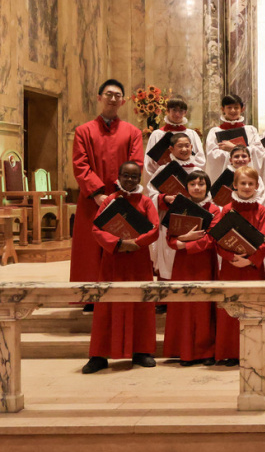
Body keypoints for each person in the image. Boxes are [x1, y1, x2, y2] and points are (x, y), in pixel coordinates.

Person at [83, 161, 159, 374]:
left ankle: (142, 351)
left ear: (139, 179)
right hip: (113, 260)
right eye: (126, 175)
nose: (130, 180)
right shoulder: (109, 201)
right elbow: (97, 229)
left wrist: (136, 243)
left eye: (134, 177)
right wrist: (118, 244)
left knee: (141, 304)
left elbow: (154, 230)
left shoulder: (145, 202)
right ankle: (98, 355)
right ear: (119, 176)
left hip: (138, 261)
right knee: (107, 304)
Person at [71, 79, 144, 292]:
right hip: (92, 200)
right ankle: (90, 294)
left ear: (123, 102)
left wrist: (121, 193)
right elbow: (80, 164)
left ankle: (120, 291)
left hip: (124, 198)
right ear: (99, 97)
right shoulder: (84, 131)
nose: (113, 98)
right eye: (109, 94)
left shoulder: (132, 132)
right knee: (90, 248)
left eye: (118, 95)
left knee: (121, 244)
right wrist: (97, 194)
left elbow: (136, 163)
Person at [212, 166, 265, 366]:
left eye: (250, 184)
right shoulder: (226, 209)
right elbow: (218, 239)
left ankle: (253, 351)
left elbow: (263, 240)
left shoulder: (260, 210)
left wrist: (251, 260)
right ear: (234, 185)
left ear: (256, 186)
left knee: (252, 308)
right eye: (242, 183)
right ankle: (229, 351)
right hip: (231, 266)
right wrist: (230, 256)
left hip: (252, 268)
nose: (246, 187)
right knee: (230, 308)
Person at [163, 170, 219, 366]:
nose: (197, 187)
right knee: (184, 305)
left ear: (207, 187)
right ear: (186, 187)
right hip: (183, 263)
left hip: (204, 261)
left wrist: (184, 244)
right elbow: (170, 236)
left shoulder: (215, 210)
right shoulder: (179, 207)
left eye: (201, 184)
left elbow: (211, 238)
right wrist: (182, 241)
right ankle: (184, 351)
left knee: (203, 305)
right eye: (193, 184)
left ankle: (206, 351)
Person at [146, 133, 202, 282]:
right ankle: (167, 301)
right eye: (180, 146)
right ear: (171, 149)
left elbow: (207, 195)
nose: (184, 149)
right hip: (169, 219)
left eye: (187, 145)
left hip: (192, 218)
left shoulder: (198, 170)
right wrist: (164, 198)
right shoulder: (163, 170)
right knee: (168, 256)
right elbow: (151, 194)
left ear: (191, 147)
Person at [204, 93, 265, 181]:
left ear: (242, 109)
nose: (233, 110)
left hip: (247, 175)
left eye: (236, 107)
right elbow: (212, 156)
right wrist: (240, 154)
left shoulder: (251, 130)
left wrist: (233, 148)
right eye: (229, 107)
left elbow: (259, 151)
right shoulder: (215, 132)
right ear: (223, 109)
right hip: (224, 174)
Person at [143, 97, 205, 178]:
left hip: (188, 178)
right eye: (174, 110)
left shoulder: (192, 134)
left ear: (185, 112)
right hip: (164, 178)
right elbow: (149, 163)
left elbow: (201, 160)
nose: (177, 114)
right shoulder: (157, 134)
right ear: (167, 111)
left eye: (181, 111)